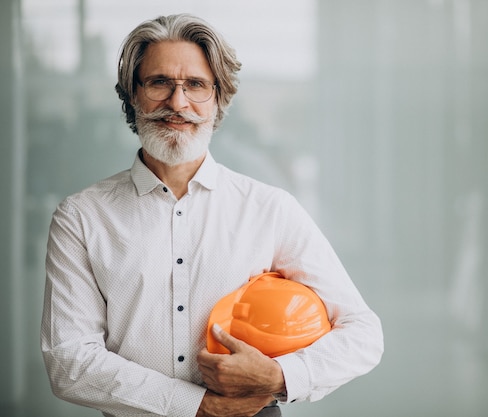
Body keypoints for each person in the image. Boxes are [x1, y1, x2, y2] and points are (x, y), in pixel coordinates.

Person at [40, 13, 384, 417]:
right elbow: (68, 360)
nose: (177, 102)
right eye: (159, 82)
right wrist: (197, 406)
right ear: (133, 95)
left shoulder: (270, 209)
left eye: (196, 85)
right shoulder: (81, 218)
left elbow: (363, 334)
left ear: (219, 98)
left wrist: (276, 377)